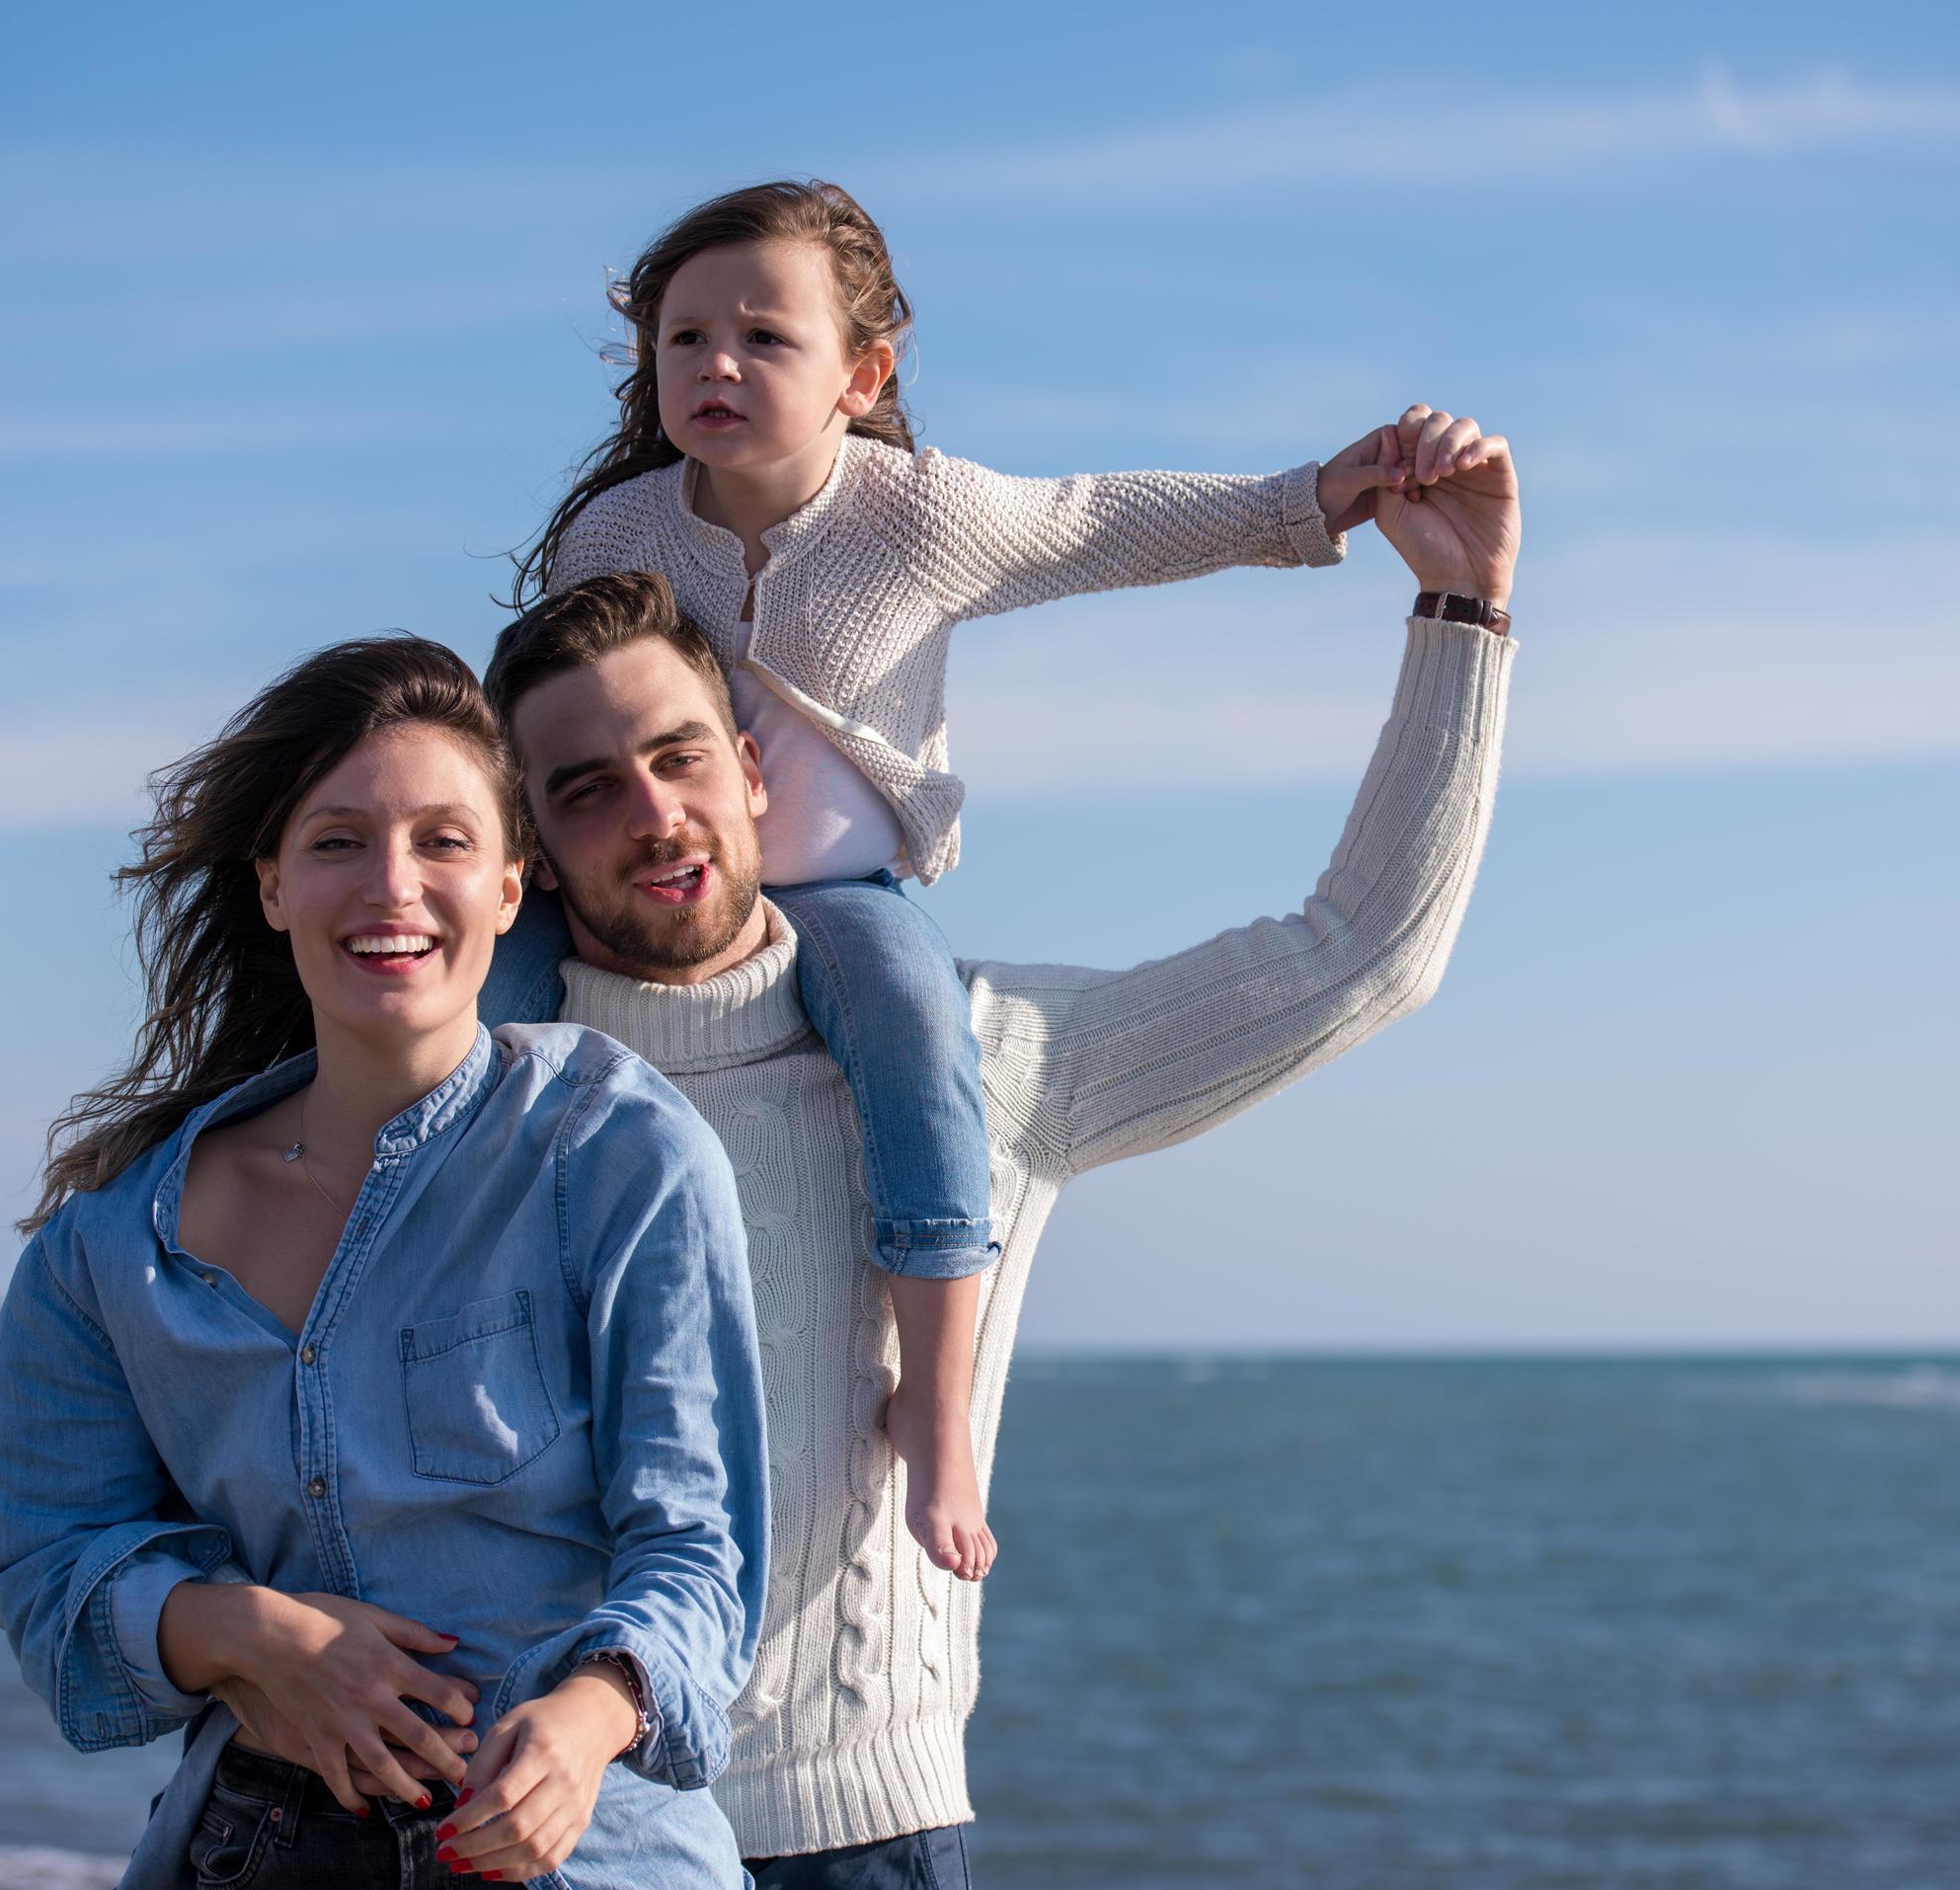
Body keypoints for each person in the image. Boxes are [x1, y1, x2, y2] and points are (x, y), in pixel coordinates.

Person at [480, 406, 1522, 1890]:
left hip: (867, 1849)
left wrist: (1462, 611)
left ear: (756, 767)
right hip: (558, 1847)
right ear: (533, 844)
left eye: (677, 756)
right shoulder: (476, 1094)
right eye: (584, 790)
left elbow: (1361, 956)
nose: (651, 816)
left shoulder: (979, 1060)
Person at [488, 178, 1485, 1589]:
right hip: (641, 897)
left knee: (919, 1048)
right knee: (485, 1014)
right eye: (684, 339)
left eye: (764, 338)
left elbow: (1102, 523)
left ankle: (938, 1401)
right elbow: (541, 706)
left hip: (837, 892)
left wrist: (1312, 501)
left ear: (862, 374)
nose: (715, 365)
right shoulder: (615, 536)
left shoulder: (916, 513)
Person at [0, 638, 768, 1890]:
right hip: (261, 1869)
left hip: (585, 1879)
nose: (391, 886)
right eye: (338, 841)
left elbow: (699, 1545)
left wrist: (586, 1719)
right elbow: (39, 1568)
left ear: (512, 886)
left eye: (442, 840)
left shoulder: (613, 1149)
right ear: (272, 883)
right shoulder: (113, 1245)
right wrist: (242, 1631)